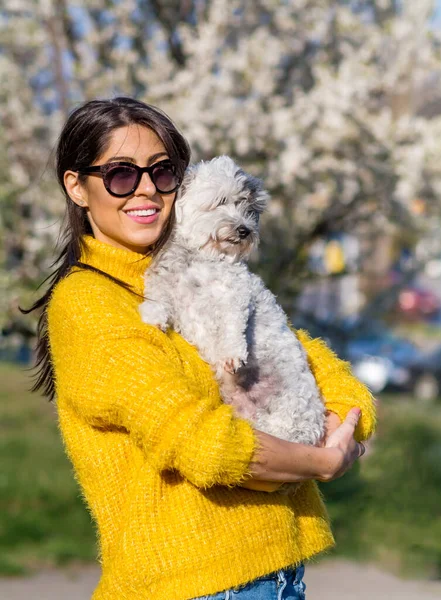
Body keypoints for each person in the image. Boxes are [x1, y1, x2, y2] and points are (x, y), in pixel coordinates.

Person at [24, 97, 376, 600]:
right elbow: (199, 443)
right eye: (121, 175)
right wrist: (320, 461)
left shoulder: (213, 273)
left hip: (274, 574)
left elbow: (325, 372)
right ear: (77, 186)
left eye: (162, 171)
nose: (146, 189)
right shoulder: (89, 303)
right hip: (196, 586)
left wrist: (340, 426)